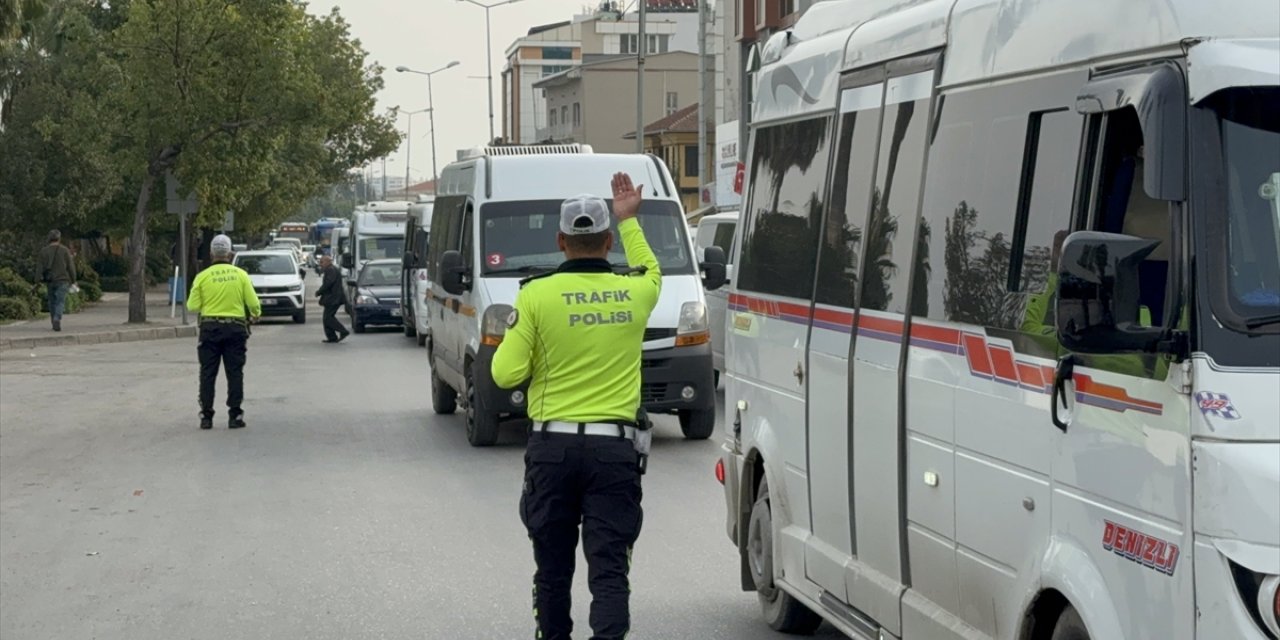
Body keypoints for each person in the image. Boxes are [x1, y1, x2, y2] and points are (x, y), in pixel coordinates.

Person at [492, 173, 662, 640]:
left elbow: (504, 375)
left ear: (560, 241)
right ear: (607, 241)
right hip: (614, 453)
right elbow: (651, 270)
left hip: (553, 450)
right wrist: (630, 220)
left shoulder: (535, 295)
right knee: (609, 569)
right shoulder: (637, 292)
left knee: (552, 569)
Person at [187, 235, 261, 430]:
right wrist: (255, 314)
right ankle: (235, 415)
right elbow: (253, 303)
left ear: (211, 254)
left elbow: (192, 305)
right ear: (230, 253)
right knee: (234, 372)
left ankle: (206, 416)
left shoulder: (202, 276)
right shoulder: (241, 275)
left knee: (207, 373)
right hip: (235, 328)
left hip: (210, 329)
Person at [37, 230, 76, 332]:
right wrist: (73, 279)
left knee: (52, 302)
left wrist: (37, 280)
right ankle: (57, 318)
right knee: (60, 301)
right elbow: (70, 267)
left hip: (50, 280)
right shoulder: (65, 250)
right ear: (59, 238)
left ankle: (53, 320)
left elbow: (39, 268)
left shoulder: (43, 251)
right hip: (63, 280)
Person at [315, 254, 349, 343]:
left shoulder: (330, 270)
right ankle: (332, 337)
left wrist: (319, 292)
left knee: (328, 318)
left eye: (322, 262)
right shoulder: (331, 269)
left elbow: (328, 283)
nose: (320, 264)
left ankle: (343, 331)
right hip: (333, 298)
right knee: (327, 318)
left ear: (327, 262)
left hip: (333, 298)